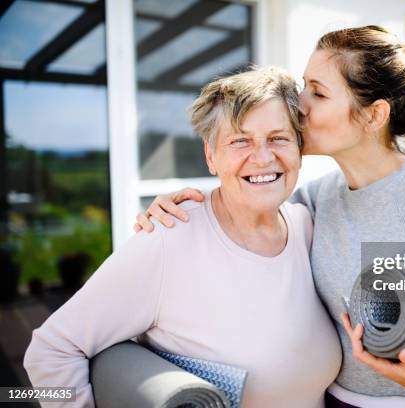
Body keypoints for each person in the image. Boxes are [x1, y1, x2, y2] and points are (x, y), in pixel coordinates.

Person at [134, 26, 405, 408]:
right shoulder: (318, 197)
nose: (299, 105)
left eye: (318, 92)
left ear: (373, 115)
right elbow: (248, 216)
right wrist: (190, 208)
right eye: (303, 86)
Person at [23, 67, 342, 408]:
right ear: (210, 156)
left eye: (278, 138)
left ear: (298, 148)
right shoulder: (168, 239)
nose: (263, 157)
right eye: (239, 140)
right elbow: (51, 351)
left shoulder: (305, 225)